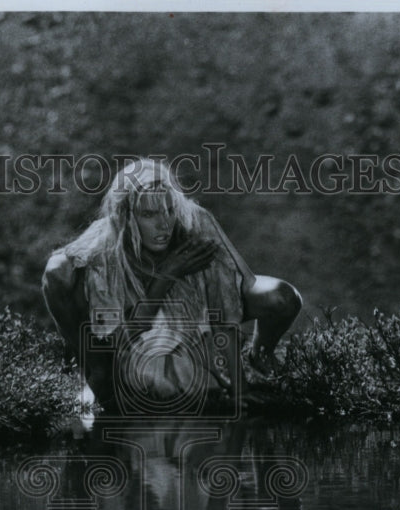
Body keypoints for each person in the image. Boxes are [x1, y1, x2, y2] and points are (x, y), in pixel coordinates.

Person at [42, 157, 301, 413]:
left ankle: (260, 356)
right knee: (117, 395)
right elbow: (121, 340)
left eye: (168, 210)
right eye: (149, 214)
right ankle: (90, 370)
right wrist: (167, 274)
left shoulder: (195, 222)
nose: (164, 224)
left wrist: (239, 388)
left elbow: (224, 304)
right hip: (125, 329)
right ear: (126, 217)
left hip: (177, 315)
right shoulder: (105, 251)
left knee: (281, 297)